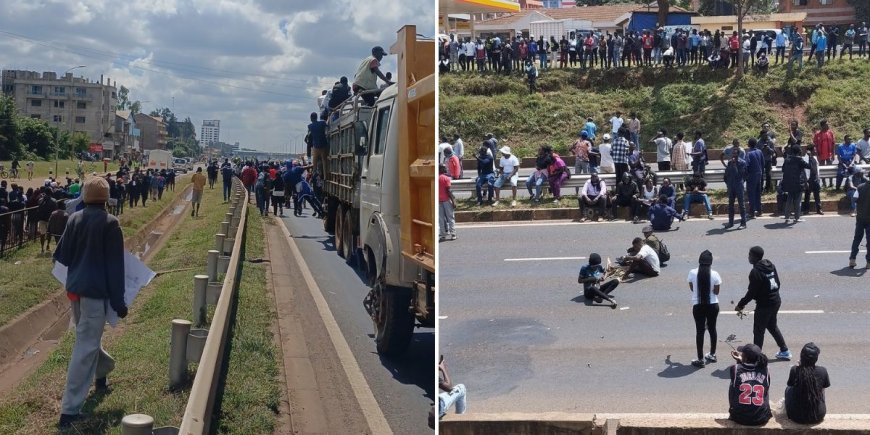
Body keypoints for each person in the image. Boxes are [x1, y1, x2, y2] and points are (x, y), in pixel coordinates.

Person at [54, 177, 127, 428]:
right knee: (85, 346)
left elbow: (61, 256)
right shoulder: (111, 223)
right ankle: (69, 411)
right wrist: (119, 301)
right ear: (107, 198)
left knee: (87, 337)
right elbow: (116, 268)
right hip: (95, 293)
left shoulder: (75, 219)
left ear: (84, 196)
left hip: (75, 290)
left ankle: (103, 371)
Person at [735, 246, 792, 360]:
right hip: (776, 301)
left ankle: (755, 358)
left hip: (765, 305)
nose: (748, 257)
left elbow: (752, 292)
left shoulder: (755, 271)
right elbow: (778, 283)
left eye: (750, 255)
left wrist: (741, 304)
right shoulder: (770, 265)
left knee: (758, 331)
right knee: (771, 326)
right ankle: (784, 350)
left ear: (755, 257)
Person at [688, 250, 721, 368]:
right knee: (712, 329)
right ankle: (712, 354)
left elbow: (692, 288)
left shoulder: (692, 273)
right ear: (711, 262)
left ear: (699, 261)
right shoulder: (715, 274)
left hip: (698, 305)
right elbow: (716, 291)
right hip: (713, 305)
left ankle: (700, 359)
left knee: (700, 331)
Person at [785, 343, 830, 424]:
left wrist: (799, 367)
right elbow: (823, 389)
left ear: (801, 357)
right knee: (821, 388)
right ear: (816, 358)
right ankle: (818, 404)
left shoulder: (795, 370)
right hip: (818, 415)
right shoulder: (822, 370)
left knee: (788, 389)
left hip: (795, 416)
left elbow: (790, 385)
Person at [727, 343, 772, 426]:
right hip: (761, 418)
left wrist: (739, 361)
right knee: (764, 386)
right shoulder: (766, 370)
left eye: (742, 354)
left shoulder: (735, 368)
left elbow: (740, 374)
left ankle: (732, 410)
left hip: (739, 418)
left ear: (746, 358)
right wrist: (742, 360)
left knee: (733, 384)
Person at [780, 144, 810, 224]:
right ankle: (797, 217)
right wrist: (809, 157)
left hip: (789, 184)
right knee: (797, 201)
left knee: (789, 200)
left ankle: (787, 217)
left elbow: (783, 169)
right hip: (798, 183)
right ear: (798, 151)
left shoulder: (787, 159)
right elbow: (809, 166)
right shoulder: (799, 160)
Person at [849, 171, 870, 269]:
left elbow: (854, 199)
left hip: (860, 218)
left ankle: (852, 260)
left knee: (857, 239)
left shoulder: (860, 187)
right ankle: (868, 262)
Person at [724, 148, 748, 229]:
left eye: (735, 154)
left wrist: (734, 166)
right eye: (733, 154)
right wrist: (727, 183)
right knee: (730, 205)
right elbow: (726, 174)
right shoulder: (730, 162)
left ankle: (743, 223)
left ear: (738, 154)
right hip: (731, 186)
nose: (734, 155)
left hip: (738, 186)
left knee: (741, 205)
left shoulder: (742, 163)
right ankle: (731, 223)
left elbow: (740, 175)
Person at [438, 355, 466, 419]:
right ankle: (460, 419)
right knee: (461, 388)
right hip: (439, 408)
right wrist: (443, 369)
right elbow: (449, 388)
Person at [307, 112, 330, 180]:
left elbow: (309, 136)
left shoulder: (309, 126)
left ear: (311, 118)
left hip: (315, 147)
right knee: (324, 161)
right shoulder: (322, 123)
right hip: (323, 145)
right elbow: (327, 126)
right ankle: (325, 177)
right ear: (317, 117)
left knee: (315, 163)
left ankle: (314, 176)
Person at [439, 165, 456, 241]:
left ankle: (443, 235)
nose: (446, 168)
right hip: (446, 200)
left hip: (438, 201)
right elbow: (448, 191)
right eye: (444, 167)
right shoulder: (446, 178)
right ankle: (453, 234)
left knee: (441, 219)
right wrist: (453, 201)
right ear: (440, 169)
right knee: (450, 217)